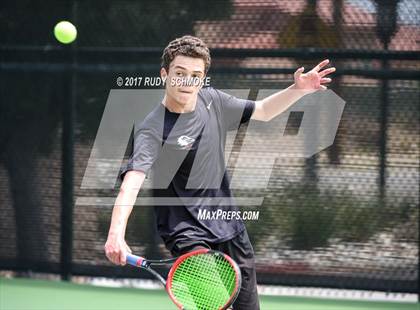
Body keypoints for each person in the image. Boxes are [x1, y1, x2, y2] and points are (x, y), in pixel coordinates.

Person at [104, 35, 335, 310]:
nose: (187, 81)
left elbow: (262, 110)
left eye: (195, 75)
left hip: (229, 227)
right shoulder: (151, 129)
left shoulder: (212, 101)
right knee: (213, 304)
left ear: (203, 79)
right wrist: (115, 235)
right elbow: (131, 184)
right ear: (164, 74)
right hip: (187, 233)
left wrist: (298, 90)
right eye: (179, 73)